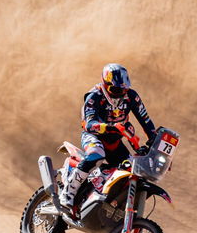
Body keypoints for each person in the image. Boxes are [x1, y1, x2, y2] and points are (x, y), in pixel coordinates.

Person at [60, 63, 158, 211]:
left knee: (134, 170)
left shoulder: (131, 96)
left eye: (124, 89)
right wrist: (110, 127)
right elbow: (88, 123)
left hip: (115, 142)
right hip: (94, 137)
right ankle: (69, 191)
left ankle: (113, 203)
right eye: (117, 89)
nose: (121, 93)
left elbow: (146, 121)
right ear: (105, 85)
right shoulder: (94, 96)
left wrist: (157, 146)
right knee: (96, 154)